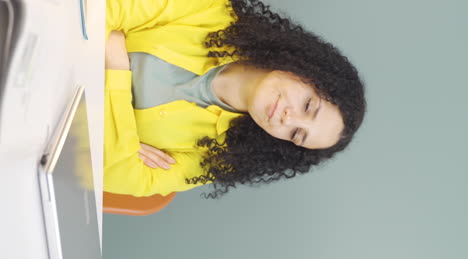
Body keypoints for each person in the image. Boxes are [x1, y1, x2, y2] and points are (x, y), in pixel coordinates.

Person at [104, 0, 366, 199]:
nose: (288, 118)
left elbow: (115, 175)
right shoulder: (212, 11)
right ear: (306, 71)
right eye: (308, 105)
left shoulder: (218, 156)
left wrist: (117, 65)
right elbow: (104, 9)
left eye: (296, 133)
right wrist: (122, 137)